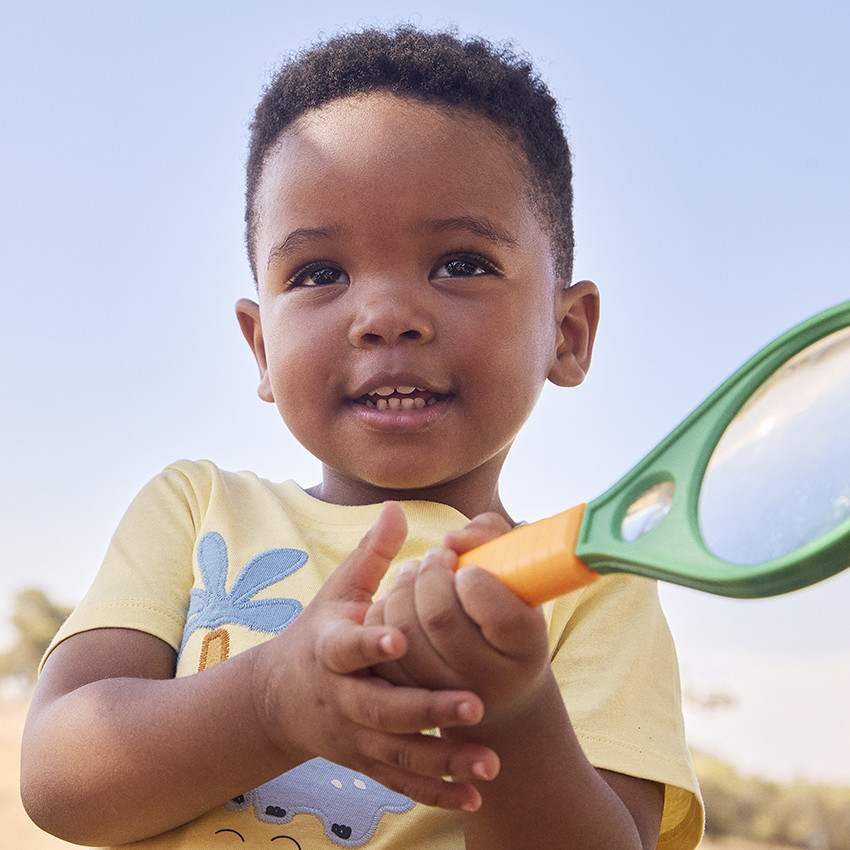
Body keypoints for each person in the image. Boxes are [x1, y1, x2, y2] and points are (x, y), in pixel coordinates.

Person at [21, 26, 703, 850]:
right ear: (261, 348)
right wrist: (271, 702)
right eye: (319, 274)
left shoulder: (587, 579)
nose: (385, 315)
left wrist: (515, 709)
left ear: (568, 332)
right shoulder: (196, 509)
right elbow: (58, 778)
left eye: (460, 263)